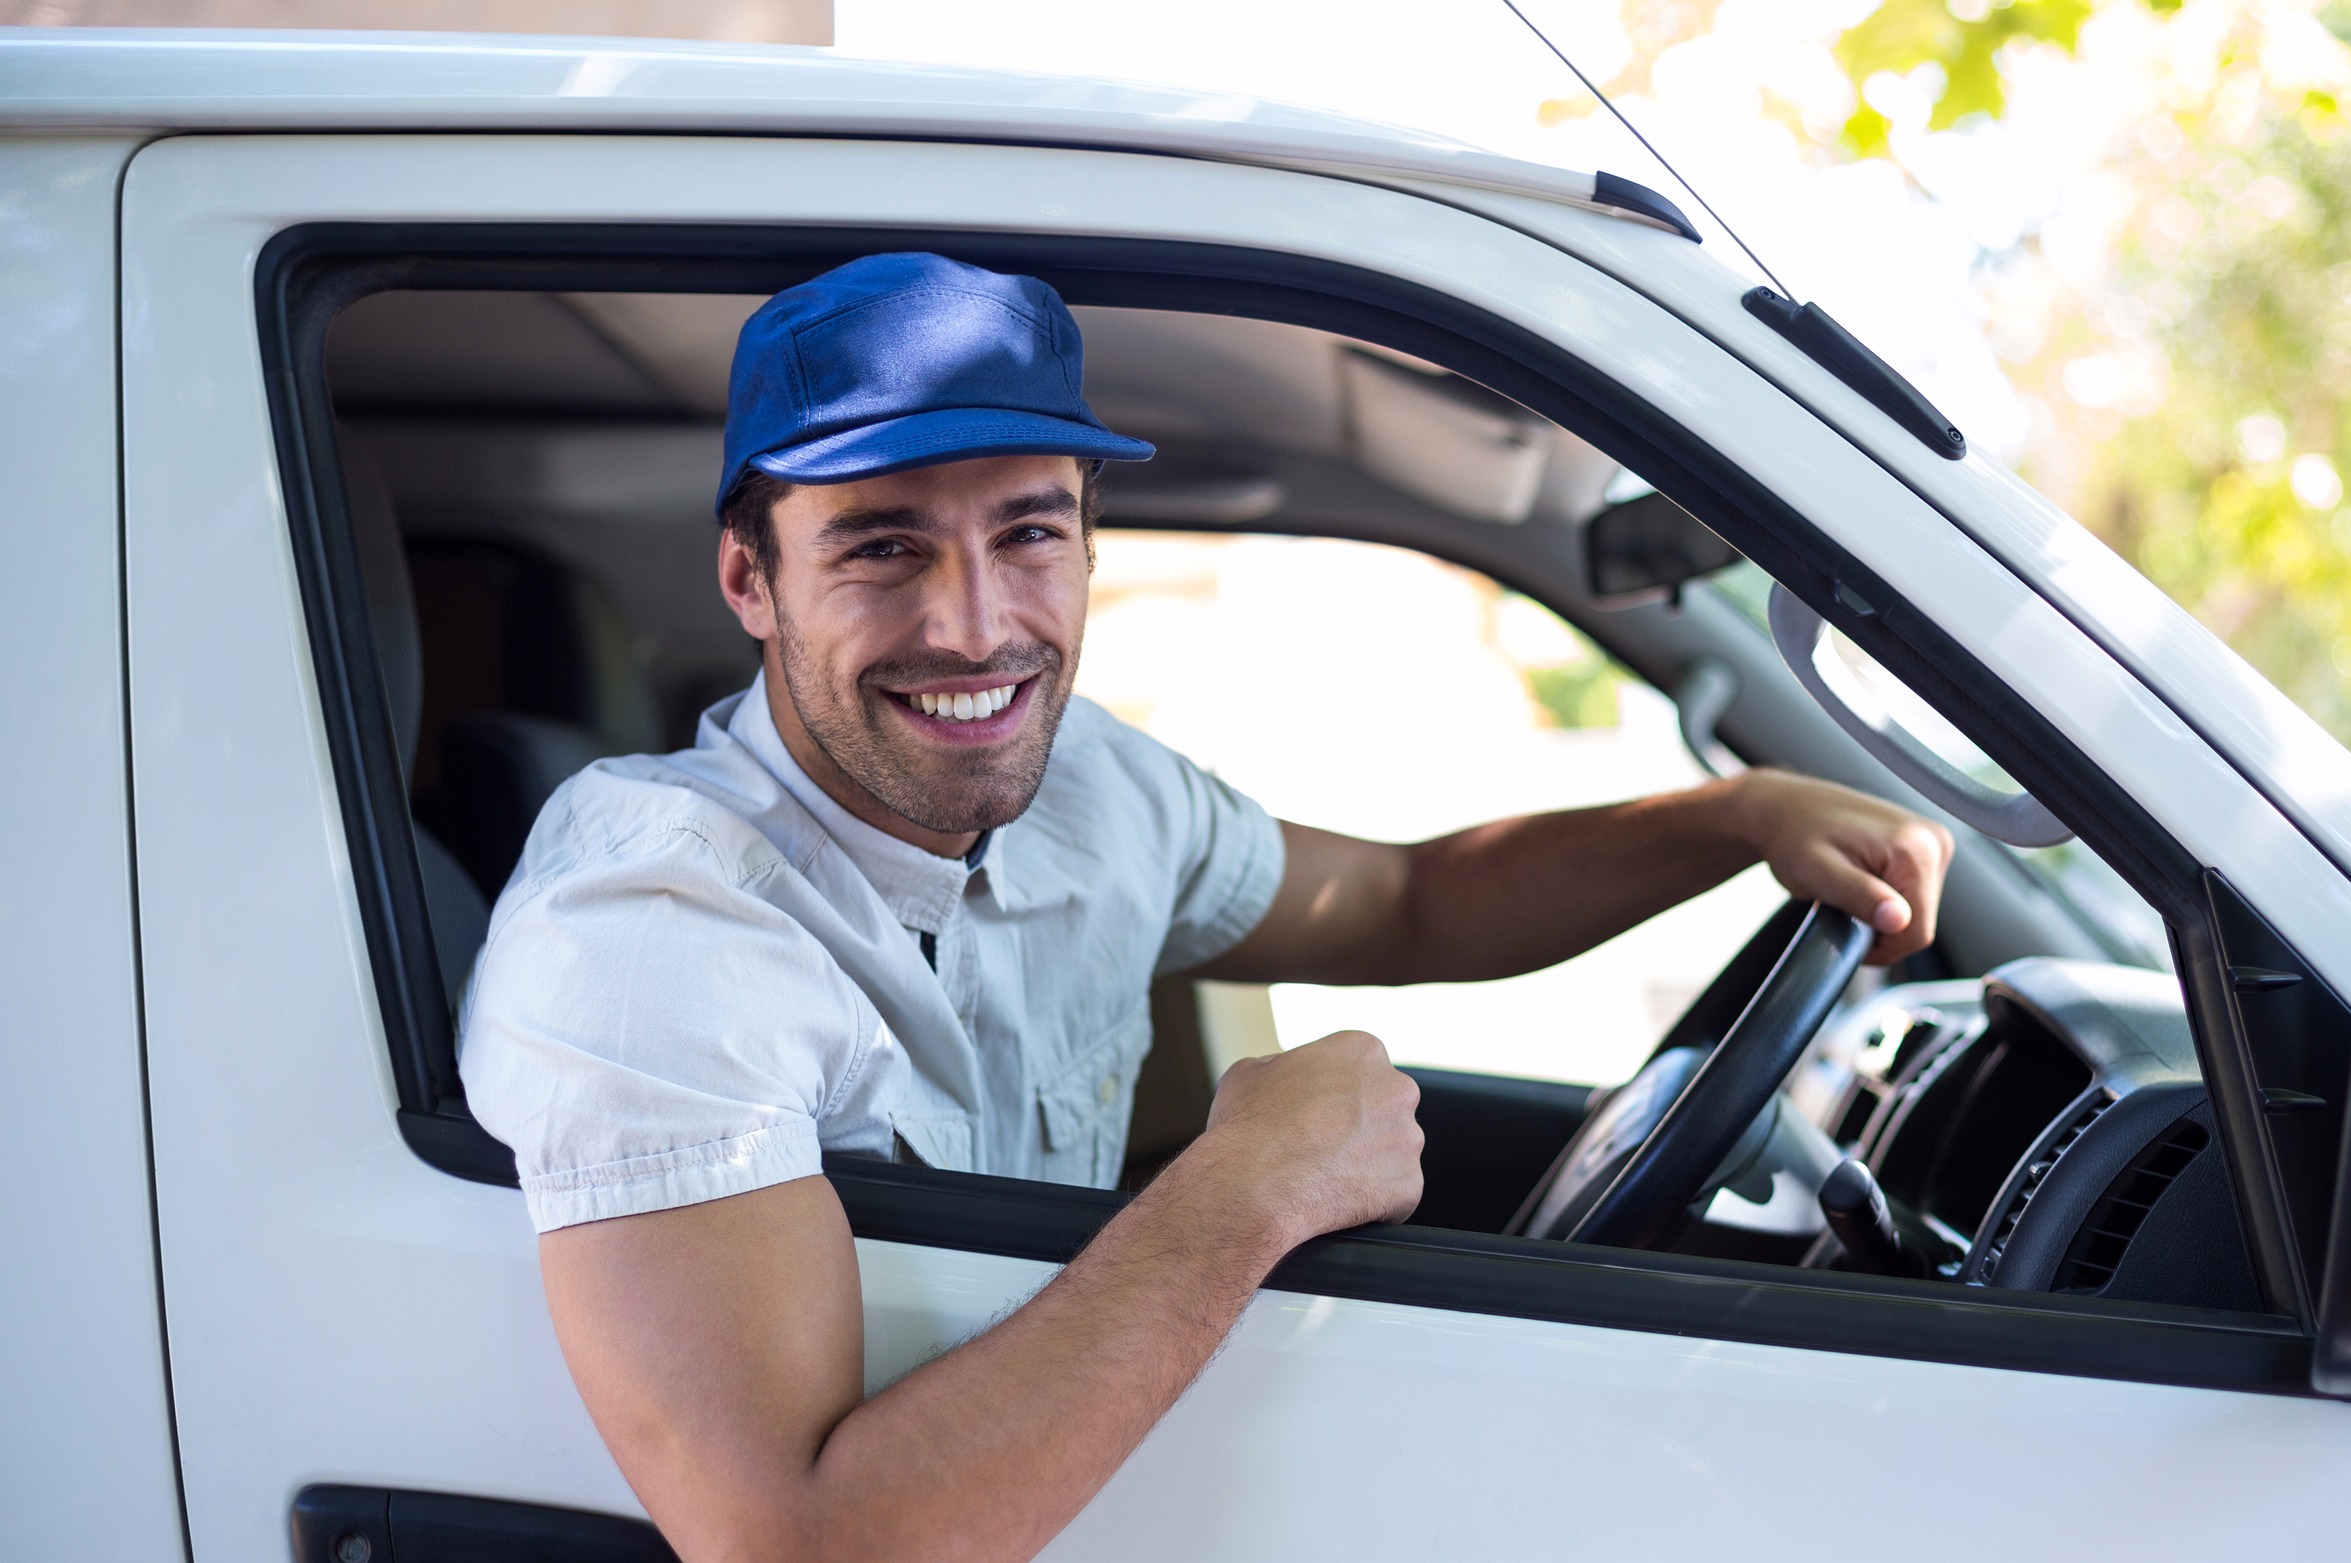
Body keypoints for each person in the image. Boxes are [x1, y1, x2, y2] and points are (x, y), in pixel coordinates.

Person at [459, 252, 1954, 1562]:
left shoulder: (1090, 789)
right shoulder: (650, 921)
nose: (974, 622)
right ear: (750, 577)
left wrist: (1738, 816)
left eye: (1029, 533)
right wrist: (1246, 1193)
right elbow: (795, 1547)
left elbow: (1407, 901)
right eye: (881, 545)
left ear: (1091, 547)